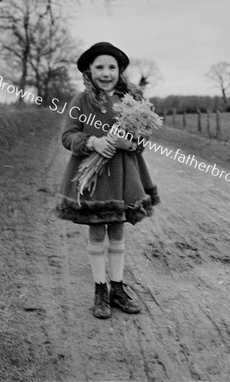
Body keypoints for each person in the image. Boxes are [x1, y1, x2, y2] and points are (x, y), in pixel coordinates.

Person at [56, 42, 160, 319]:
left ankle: (117, 287)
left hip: (124, 176)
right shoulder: (82, 101)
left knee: (117, 230)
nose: (105, 73)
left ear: (120, 71)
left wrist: (130, 144)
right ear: (89, 71)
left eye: (111, 67)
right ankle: (99, 289)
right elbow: (68, 136)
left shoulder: (131, 101)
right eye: (99, 67)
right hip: (95, 180)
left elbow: (142, 138)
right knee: (97, 229)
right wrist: (92, 142)